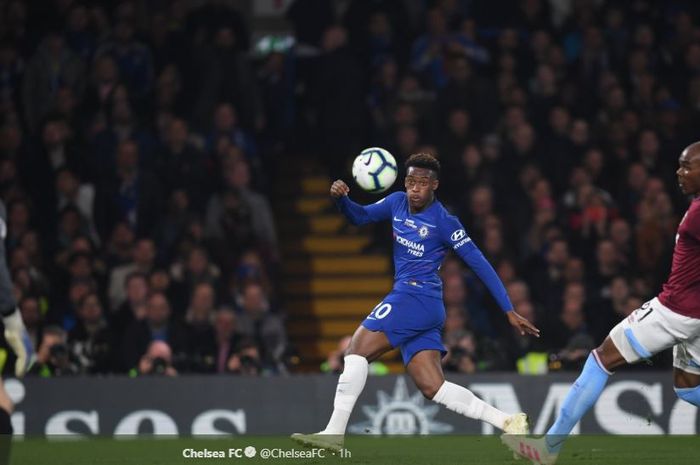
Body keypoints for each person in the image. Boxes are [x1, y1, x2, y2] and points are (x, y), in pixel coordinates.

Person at [292, 153, 539, 450]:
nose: (415, 188)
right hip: (423, 305)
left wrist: (508, 309)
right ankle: (508, 421)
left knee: (356, 350)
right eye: (410, 181)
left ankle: (333, 433)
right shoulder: (396, 202)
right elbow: (359, 217)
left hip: (414, 296)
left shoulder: (444, 222)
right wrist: (342, 200)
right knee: (433, 387)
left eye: (422, 183)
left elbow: (480, 263)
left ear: (435, 185)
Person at [502, 142, 700, 465]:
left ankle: (547, 449)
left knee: (600, 359)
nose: (679, 173)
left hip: (675, 310)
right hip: (695, 315)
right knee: (688, 389)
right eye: (679, 165)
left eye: (687, 167)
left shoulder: (697, 214)